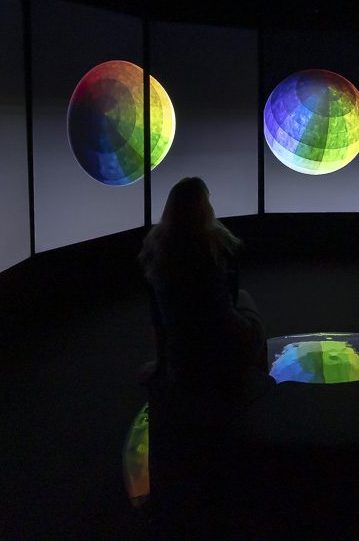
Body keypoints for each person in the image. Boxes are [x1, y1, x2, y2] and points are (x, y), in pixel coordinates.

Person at [137, 177, 271, 534]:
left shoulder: (156, 251)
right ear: (204, 208)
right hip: (225, 352)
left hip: (184, 363)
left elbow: (159, 319)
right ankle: (258, 391)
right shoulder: (215, 245)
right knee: (249, 305)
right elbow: (230, 300)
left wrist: (162, 364)